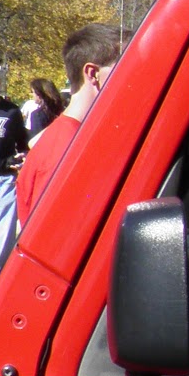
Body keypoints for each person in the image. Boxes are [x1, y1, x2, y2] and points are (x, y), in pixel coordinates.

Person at [16, 23, 124, 226]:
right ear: (93, 74)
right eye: (125, 66)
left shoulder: (74, 137)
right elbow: (52, 241)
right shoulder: (65, 151)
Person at [0, 65, 29, 267]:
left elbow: (23, 145)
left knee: (4, 234)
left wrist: (21, 157)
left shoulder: (11, 112)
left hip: (2, 178)